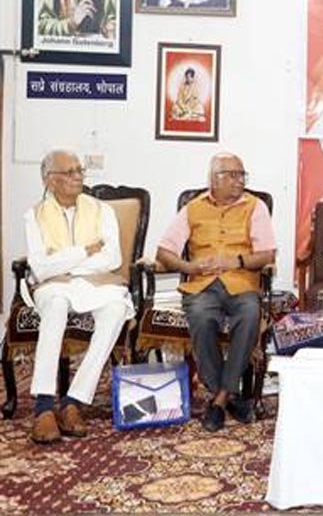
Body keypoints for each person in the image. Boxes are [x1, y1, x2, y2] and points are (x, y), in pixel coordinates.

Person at [156, 153, 276, 431]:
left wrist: (237, 261)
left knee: (249, 314)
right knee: (201, 317)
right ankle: (228, 394)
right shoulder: (193, 208)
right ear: (214, 178)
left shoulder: (255, 207)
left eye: (242, 174)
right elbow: (164, 252)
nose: (239, 180)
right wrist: (189, 266)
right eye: (232, 174)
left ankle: (219, 399)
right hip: (202, 284)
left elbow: (267, 255)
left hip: (242, 283)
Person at [24, 149, 133, 444]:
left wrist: (62, 262)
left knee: (116, 309)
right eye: (69, 172)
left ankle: (74, 401)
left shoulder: (101, 210)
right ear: (50, 180)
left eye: (79, 170)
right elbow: (40, 268)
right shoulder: (34, 216)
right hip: (55, 287)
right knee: (56, 305)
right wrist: (85, 250)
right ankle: (44, 406)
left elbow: (112, 258)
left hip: (96, 284)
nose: (78, 177)